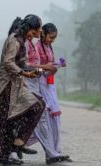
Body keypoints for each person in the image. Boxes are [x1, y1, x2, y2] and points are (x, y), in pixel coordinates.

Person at [0, 14, 45, 166]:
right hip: (7, 86)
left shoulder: (23, 40)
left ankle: (17, 143)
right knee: (3, 120)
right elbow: (8, 63)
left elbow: (21, 63)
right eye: (34, 32)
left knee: (37, 106)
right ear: (28, 29)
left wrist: (34, 71)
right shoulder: (14, 39)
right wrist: (25, 73)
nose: (35, 35)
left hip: (17, 85)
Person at [35, 23, 72, 165]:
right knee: (44, 120)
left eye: (54, 38)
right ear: (43, 33)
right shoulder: (36, 47)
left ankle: (56, 151)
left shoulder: (49, 46)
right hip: (40, 85)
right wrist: (47, 68)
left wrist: (58, 64)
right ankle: (51, 153)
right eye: (51, 37)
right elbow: (32, 66)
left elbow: (49, 64)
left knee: (55, 119)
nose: (52, 41)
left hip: (50, 84)